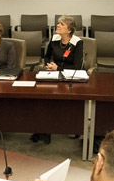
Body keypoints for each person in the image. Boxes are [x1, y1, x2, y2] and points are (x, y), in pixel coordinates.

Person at [31, 16, 84, 145]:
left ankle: (71, 127)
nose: (58, 25)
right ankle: (43, 131)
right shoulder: (54, 39)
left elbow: (77, 66)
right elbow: (47, 56)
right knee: (43, 98)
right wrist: (49, 65)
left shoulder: (77, 42)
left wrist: (58, 68)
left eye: (62, 24)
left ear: (69, 30)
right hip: (53, 74)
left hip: (69, 77)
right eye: (58, 23)